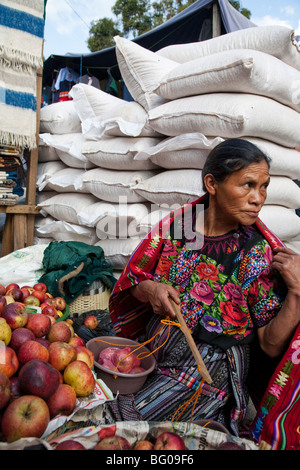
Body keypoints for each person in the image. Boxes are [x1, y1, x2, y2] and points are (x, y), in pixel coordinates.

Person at [107, 138, 300, 436]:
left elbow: (270, 343)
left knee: (115, 422)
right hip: (155, 350)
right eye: (247, 184)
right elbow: (135, 283)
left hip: (207, 370)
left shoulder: (255, 253)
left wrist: (298, 293)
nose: (258, 198)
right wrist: (153, 290)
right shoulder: (179, 227)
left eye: (263, 186)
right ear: (212, 183)